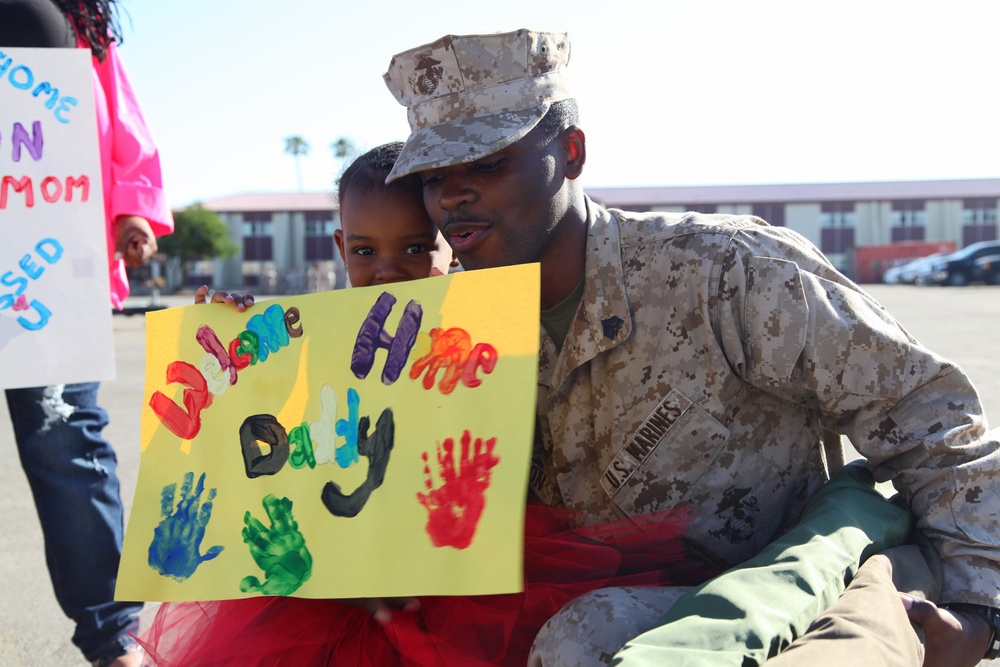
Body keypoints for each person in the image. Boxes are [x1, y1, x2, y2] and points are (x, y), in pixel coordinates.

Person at [380, 29, 1000, 667]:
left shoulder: (723, 269)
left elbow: (934, 417)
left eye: (487, 163)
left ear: (570, 151)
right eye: (432, 175)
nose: (452, 194)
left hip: (791, 594)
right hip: (601, 611)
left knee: (582, 637)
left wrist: (977, 610)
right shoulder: (449, 333)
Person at [0, 2, 174, 666]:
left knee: (68, 444)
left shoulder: (76, 19)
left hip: (46, 275)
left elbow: (117, 119)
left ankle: (113, 637)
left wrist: (132, 209)